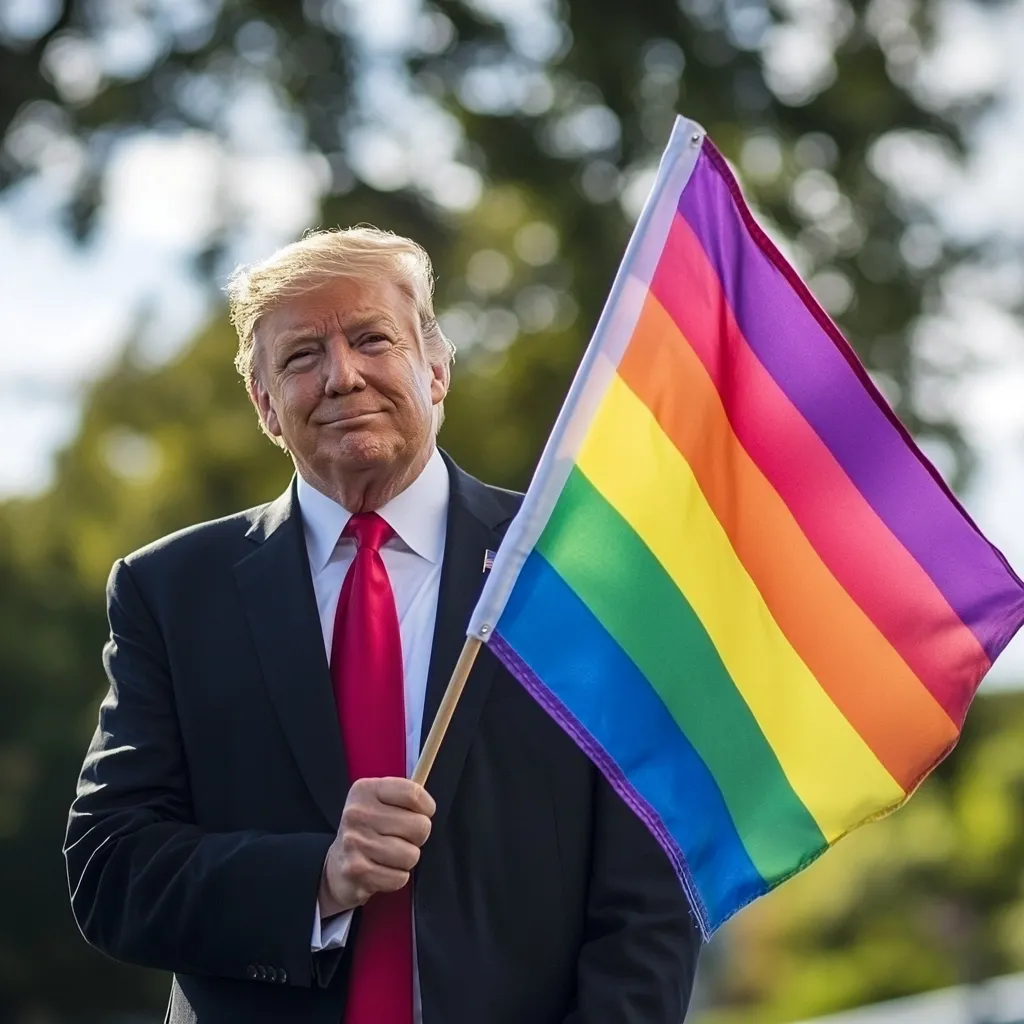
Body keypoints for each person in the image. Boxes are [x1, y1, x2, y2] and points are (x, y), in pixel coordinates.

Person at [64, 226, 701, 1023]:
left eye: (372, 338)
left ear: (435, 369)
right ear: (265, 405)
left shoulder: (579, 575)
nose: (341, 376)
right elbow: (110, 870)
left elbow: (652, 894)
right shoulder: (169, 592)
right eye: (301, 357)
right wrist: (317, 878)